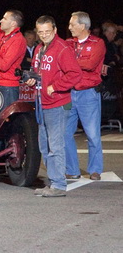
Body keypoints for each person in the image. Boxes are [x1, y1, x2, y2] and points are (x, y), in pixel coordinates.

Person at [26, 15, 82, 197]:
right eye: (40, 32)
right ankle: (52, 181)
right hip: (41, 103)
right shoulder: (39, 49)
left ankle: (59, 184)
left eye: (47, 32)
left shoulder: (62, 48)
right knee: (44, 145)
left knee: (55, 145)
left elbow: (75, 74)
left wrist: (55, 87)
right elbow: (36, 71)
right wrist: (32, 80)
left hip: (57, 104)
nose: (44, 35)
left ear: (55, 30)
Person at [64, 11, 106, 180]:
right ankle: (72, 169)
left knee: (92, 133)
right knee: (66, 133)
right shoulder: (68, 43)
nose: (69, 28)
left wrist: (69, 62)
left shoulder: (98, 43)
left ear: (82, 26)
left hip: (88, 93)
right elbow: (61, 61)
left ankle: (95, 169)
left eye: (72, 24)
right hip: (70, 92)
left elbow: (90, 64)